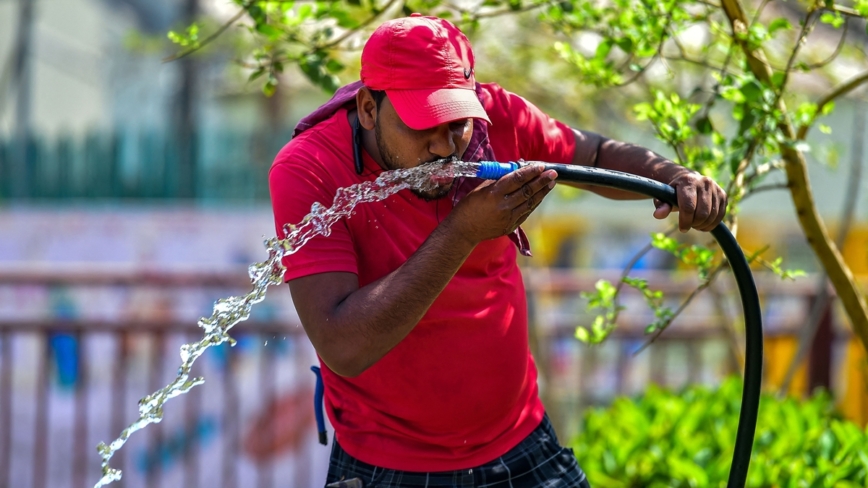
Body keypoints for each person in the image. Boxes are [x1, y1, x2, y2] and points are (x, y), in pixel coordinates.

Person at [269, 14, 726, 488]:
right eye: (425, 123)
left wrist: (674, 177)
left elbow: (592, 155)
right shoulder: (310, 169)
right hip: (388, 467)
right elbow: (345, 345)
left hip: (522, 444)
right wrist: (462, 233)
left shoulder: (498, 118)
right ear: (368, 109)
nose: (445, 146)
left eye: (458, 123)